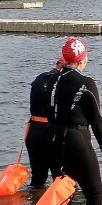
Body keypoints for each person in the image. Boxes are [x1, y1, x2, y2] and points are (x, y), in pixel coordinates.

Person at [48, 36, 102, 205]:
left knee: (62, 187)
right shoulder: (86, 83)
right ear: (83, 59)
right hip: (77, 139)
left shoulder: (51, 79)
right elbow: (96, 117)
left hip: (53, 139)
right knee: (94, 191)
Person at [25, 58, 63, 187]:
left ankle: (33, 203)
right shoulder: (61, 80)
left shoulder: (39, 78)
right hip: (50, 131)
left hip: (33, 130)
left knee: (38, 179)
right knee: (59, 178)